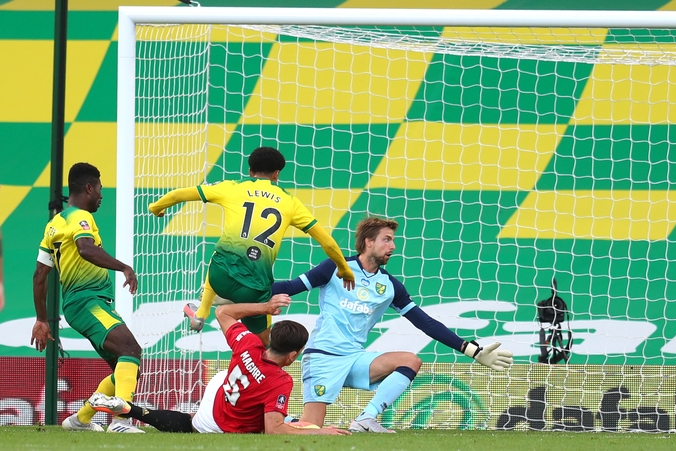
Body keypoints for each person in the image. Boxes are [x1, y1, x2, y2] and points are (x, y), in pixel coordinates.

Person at [271, 217, 514, 433]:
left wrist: (471, 350)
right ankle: (267, 420)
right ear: (368, 242)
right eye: (386, 240)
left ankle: (366, 419)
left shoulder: (390, 286)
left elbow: (425, 323)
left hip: (355, 358)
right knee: (312, 428)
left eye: (393, 240)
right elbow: (290, 287)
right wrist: (238, 293)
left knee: (410, 360)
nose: (393, 246)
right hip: (324, 356)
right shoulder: (335, 267)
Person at [148, 146, 355, 345]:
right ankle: (216, 313)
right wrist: (344, 268)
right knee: (262, 344)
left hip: (220, 277)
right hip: (254, 289)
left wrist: (156, 208)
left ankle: (201, 312)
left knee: (223, 250)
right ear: (276, 174)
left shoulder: (232, 187)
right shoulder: (290, 202)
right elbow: (327, 242)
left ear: (250, 171)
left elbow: (178, 195)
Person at [88, 297, 350, 435]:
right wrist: (323, 431)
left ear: (271, 339)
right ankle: (130, 410)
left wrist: (265, 307)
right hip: (223, 421)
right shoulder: (282, 380)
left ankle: (124, 407)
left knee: (274, 413)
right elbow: (273, 429)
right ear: (293, 356)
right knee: (191, 426)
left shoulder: (249, 343)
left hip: (221, 388)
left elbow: (223, 313)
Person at [31, 162, 144, 433]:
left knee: (125, 366)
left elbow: (39, 275)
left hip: (80, 304)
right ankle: (120, 422)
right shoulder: (81, 218)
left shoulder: (54, 225)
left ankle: (79, 420)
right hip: (87, 300)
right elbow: (85, 248)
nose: (102, 196)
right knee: (131, 350)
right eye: (100, 189)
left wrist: (42, 319)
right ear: (89, 188)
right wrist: (124, 267)